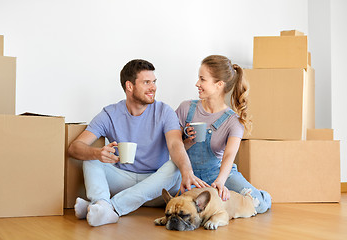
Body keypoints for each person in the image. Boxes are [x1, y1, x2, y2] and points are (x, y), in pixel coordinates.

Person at [68, 59, 207, 227]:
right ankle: (101, 204)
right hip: (123, 181)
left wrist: (187, 171)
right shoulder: (109, 113)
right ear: (129, 86)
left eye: (154, 82)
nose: (153, 87)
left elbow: (175, 145)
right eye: (146, 82)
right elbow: (75, 147)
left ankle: (110, 208)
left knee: (174, 167)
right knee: (90, 157)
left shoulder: (165, 112)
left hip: (157, 186)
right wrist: (98, 153)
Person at [175, 55, 271, 213]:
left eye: (202, 79)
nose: (197, 84)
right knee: (182, 206)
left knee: (257, 203)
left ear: (219, 84)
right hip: (188, 174)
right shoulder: (186, 108)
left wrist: (220, 182)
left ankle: (259, 197)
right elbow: (173, 147)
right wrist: (189, 141)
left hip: (219, 173)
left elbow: (229, 155)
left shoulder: (234, 121)